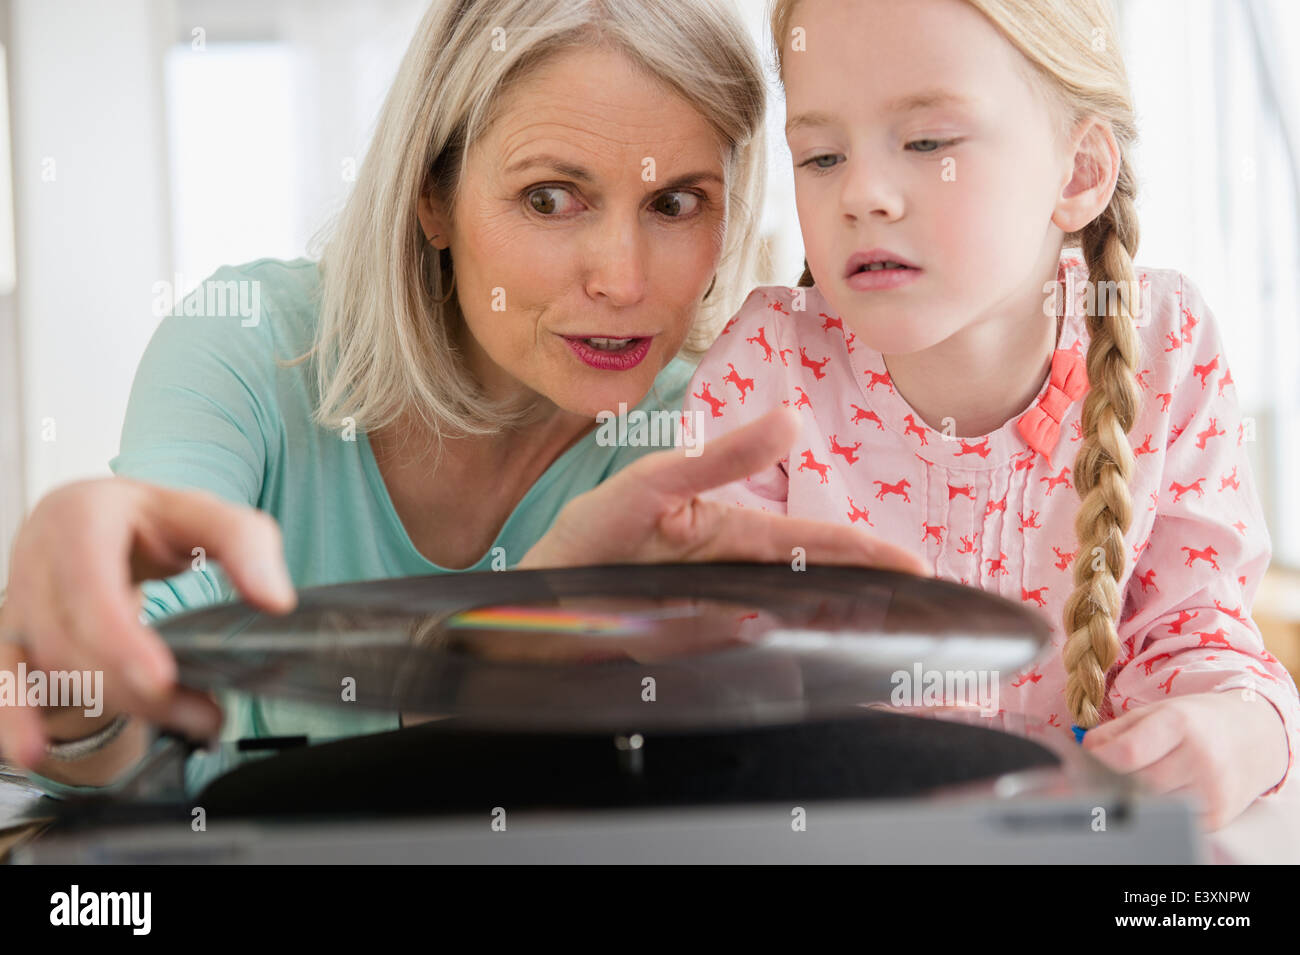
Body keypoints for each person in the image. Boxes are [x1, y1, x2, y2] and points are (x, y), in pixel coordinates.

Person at [0, 0, 926, 797]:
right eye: (551, 198)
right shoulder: (253, 348)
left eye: (676, 204)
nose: (623, 278)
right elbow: (111, 736)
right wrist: (62, 652)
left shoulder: (702, 439)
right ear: (433, 194)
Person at [681, 0, 1298, 830]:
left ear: (1078, 172)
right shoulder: (764, 368)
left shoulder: (1167, 343)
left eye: (929, 142)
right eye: (821, 155)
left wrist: (1242, 731)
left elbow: (1200, 637)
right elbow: (708, 678)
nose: (861, 193)